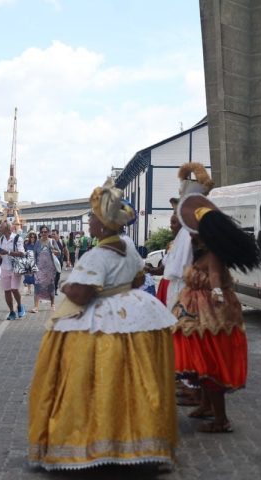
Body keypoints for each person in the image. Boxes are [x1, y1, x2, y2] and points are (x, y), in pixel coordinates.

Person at [28, 179, 178, 470]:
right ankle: (138, 439)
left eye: (93, 217)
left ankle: (92, 442)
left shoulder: (97, 254)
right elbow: (137, 279)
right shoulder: (128, 248)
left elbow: (82, 294)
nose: (89, 223)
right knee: (134, 381)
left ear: (105, 223)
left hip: (102, 322)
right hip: (133, 315)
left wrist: (68, 287)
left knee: (92, 380)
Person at [172, 193, 261, 433]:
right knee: (198, 362)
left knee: (208, 363)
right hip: (196, 315)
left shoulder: (213, 255)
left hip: (210, 317)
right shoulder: (202, 251)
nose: (188, 233)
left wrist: (216, 293)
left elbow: (214, 278)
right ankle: (205, 405)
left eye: (193, 230)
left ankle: (221, 419)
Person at [0, 221, 26, 320]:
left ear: (8, 229)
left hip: (15, 268)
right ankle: (11, 311)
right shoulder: (1, 238)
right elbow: (0, 251)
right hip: (4, 268)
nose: (0, 229)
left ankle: (20, 306)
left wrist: (8, 252)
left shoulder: (17, 238)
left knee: (14, 289)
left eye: (1, 227)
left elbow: (22, 253)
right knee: (7, 291)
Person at [31, 226, 59, 313]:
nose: (44, 233)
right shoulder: (37, 243)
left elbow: (59, 252)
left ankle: (52, 305)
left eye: (46, 232)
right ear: (40, 233)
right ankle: (36, 307)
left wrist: (54, 251)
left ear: (48, 232)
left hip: (50, 269)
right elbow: (34, 255)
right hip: (39, 269)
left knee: (51, 286)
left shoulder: (52, 241)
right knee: (37, 286)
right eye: (42, 232)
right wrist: (33, 267)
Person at [50, 229, 67, 294]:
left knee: (57, 275)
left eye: (54, 234)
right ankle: (52, 289)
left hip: (59, 261)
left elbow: (66, 250)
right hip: (51, 261)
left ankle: (55, 288)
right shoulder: (50, 241)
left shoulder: (61, 241)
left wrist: (68, 260)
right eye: (52, 234)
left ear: (58, 234)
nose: (52, 235)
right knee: (51, 275)